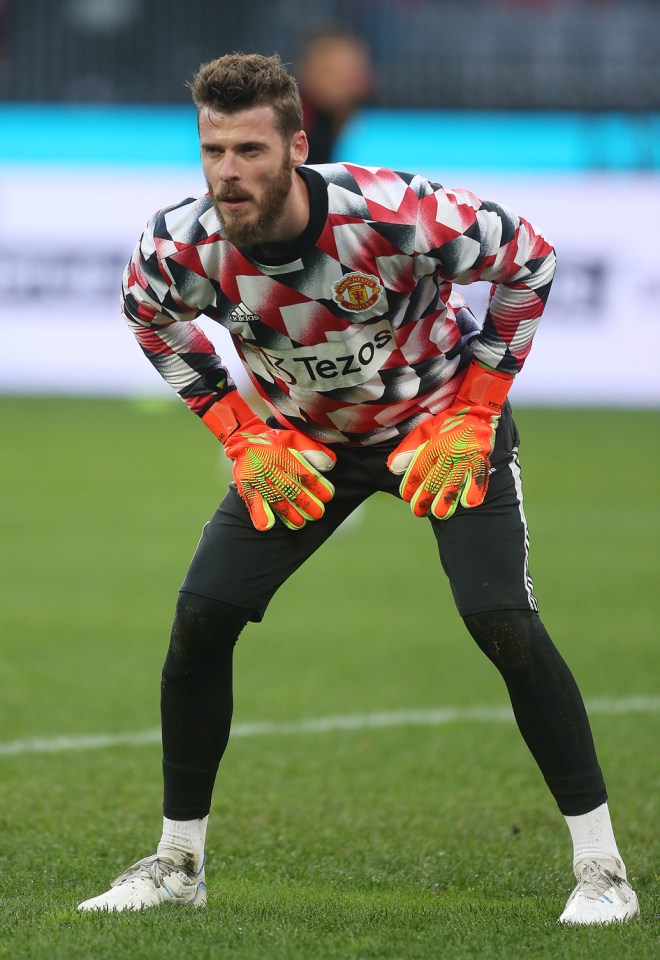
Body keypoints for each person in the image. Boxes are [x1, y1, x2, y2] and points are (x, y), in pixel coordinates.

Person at [77, 52, 639, 924]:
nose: (229, 172)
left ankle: (604, 871)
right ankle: (178, 863)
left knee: (500, 620)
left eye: (251, 151)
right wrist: (238, 431)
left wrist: (481, 404)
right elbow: (149, 319)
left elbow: (529, 261)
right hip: (303, 445)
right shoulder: (178, 245)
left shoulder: (394, 214)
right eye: (213, 150)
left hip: (439, 431)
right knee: (201, 618)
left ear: (297, 146)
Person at [297, 26, 375, 163]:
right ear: (307, 71)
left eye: (352, 71)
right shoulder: (293, 131)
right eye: (333, 72)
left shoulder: (372, 126)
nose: (346, 83)